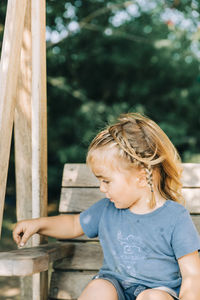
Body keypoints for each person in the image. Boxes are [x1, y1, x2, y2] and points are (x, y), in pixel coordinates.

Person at [13, 112, 200, 300]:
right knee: (99, 287)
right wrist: (38, 225)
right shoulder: (106, 210)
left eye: (106, 181)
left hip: (160, 292)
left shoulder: (175, 217)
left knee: (153, 297)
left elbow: (192, 275)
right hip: (115, 287)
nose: (102, 188)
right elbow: (73, 224)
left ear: (142, 177)